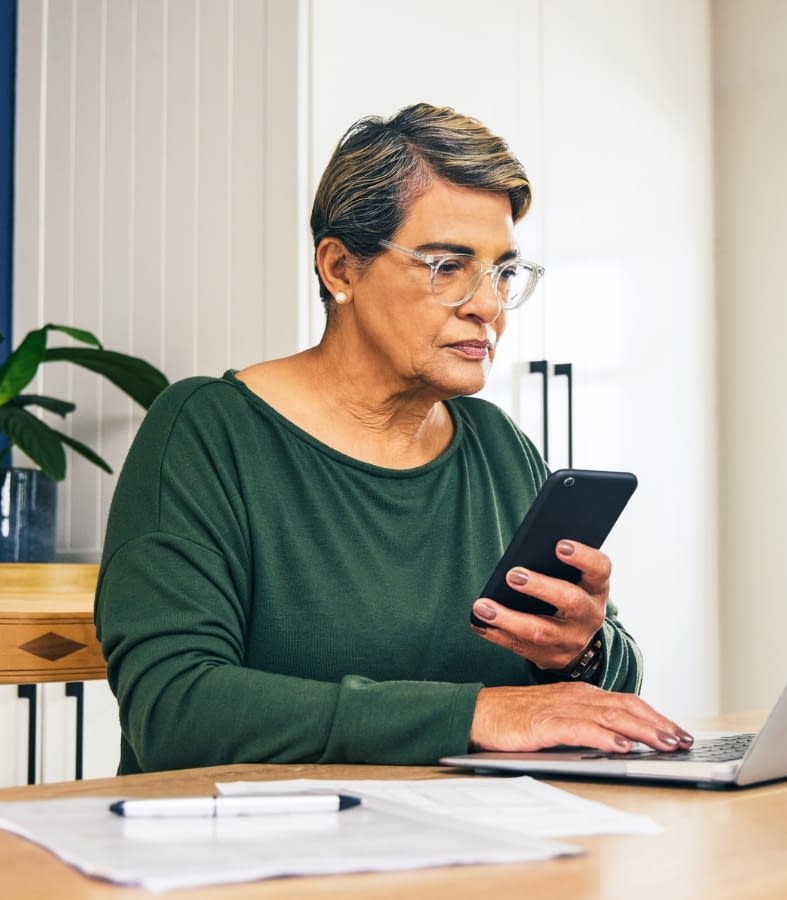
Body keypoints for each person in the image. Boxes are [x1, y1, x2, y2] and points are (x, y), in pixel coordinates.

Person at [95, 102, 693, 774]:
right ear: (340, 269)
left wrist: (579, 652)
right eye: (447, 266)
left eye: (501, 272)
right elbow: (174, 711)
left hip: (475, 850)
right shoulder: (208, 433)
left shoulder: (499, 446)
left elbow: (602, 697)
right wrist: (475, 714)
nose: (489, 306)